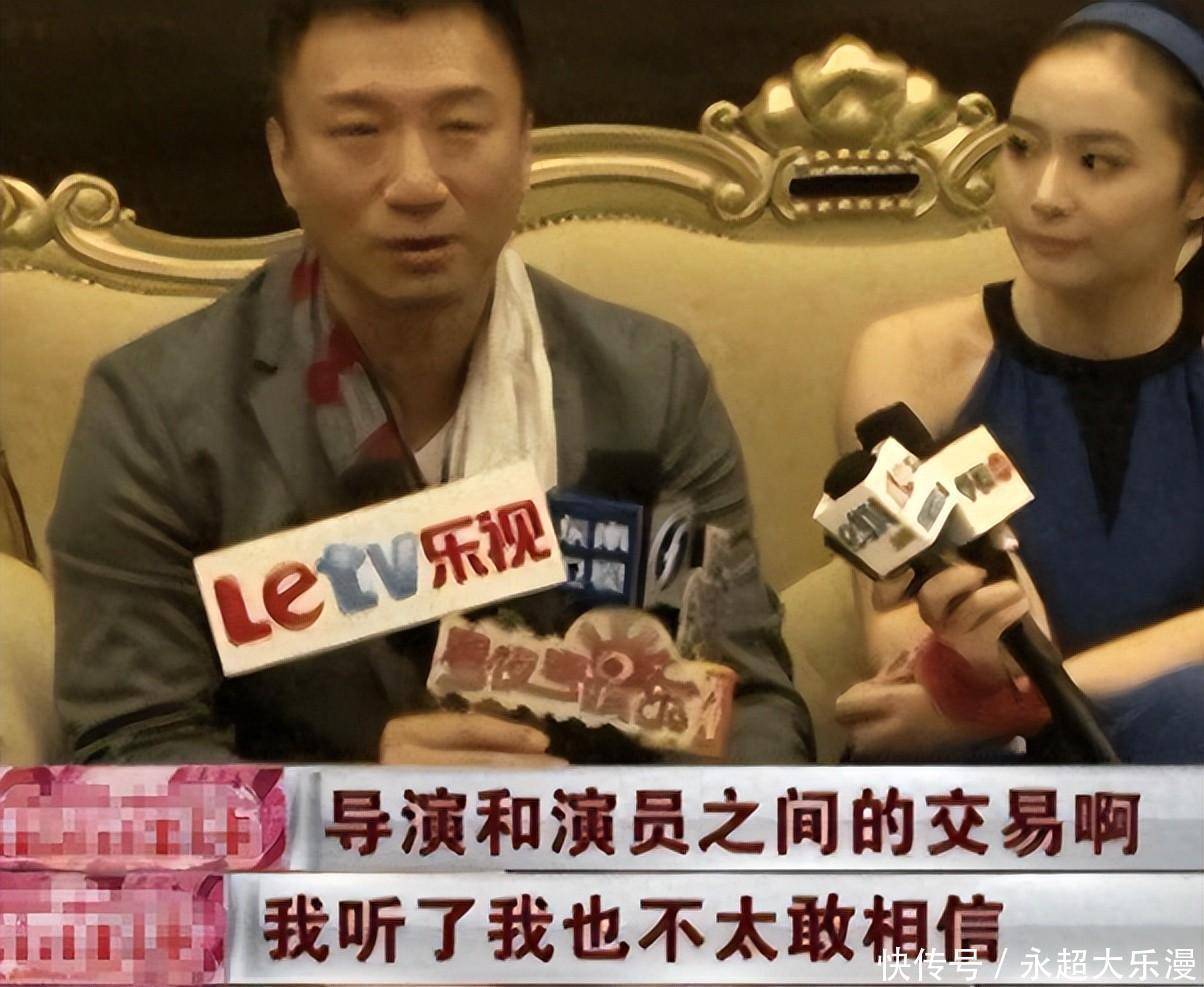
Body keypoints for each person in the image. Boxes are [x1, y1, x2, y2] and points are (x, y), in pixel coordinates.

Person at [49, 0, 813, 766]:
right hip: (317, 844)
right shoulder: (154, 411)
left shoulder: (648, 383)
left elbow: (745, 703)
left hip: (603, 836)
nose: (416, 183)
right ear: (284, 158)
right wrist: (361, 808)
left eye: (460, 127)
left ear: (524, 145)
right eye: (358, 131)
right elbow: (130, 750)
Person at [834, 0, 1204, 763]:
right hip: (984, 763)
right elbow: (895, 644)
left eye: (1097, 161)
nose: (1044, 194)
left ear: (1197, 188)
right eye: (1023, 147)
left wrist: (1038, 692)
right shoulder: (908, 357)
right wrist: (968, 667)